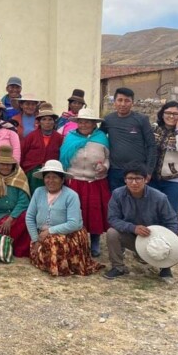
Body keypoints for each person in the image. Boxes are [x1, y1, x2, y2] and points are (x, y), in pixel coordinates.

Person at [104, 163, 178, 282]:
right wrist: (132, 228)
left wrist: (165, 240)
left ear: (146, 180)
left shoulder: (159, 197)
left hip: (154, 237)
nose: (134, 183)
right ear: (125, 180)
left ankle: (165, 266)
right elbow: (113, 219)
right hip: (131, 235)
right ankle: (118, 267)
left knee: (170, 237)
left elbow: (172, 222)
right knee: (112, 233)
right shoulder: (117, 194)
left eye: (138, 178)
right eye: (130, 178)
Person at [25, 160, 102, 277]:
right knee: (42, 245)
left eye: (55, 177)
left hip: (68, 234)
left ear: (62, 180)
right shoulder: (38, 192)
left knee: (54, 242)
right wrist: (35, 240)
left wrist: (50, 231)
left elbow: (74, 223)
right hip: (43, 234)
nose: (50, 181)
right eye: (48, 177)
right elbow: (29, 217)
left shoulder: (71, 195)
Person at [60, 108, 111, 258]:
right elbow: (62, 156)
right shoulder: (69, 137)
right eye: (81, 122)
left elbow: (108, 157)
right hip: (74, 180)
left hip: (94, 181)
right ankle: (75, 242)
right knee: (75, 213)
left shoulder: (102, 138)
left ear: (94, 123)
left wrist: (105, 166)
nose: (83, 125)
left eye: (87, 122)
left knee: (94, 212)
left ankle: (94, 242)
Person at [101, 87, 156, 192]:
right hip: (115, 171)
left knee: (137, 203)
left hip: (137, 171)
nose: (123, 104)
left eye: (127, 101)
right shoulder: (108, 120)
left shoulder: (141, 120)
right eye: (120, 100)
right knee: (118, 201)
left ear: (132, 103)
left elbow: (151, 146)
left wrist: (149, 171)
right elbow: (99, 140)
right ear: (114, 102)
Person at [149, 101, 178, 216]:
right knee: (151, 213)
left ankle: (171, 234)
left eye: (175, 114)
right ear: (162, 114)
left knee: (170, 214)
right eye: (168, 112)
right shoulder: (153, 129)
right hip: (152, 179)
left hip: (174, 182)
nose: (171, 116)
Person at [20, 103, 64, 193]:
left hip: (52, 172)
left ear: (54, 122)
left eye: (50, 119)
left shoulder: (59, 138)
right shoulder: (31, 136)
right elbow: (22, 152)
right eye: (44, 119)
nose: (47, 122)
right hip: (32, 172)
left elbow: (62, 155)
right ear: (39, 122)